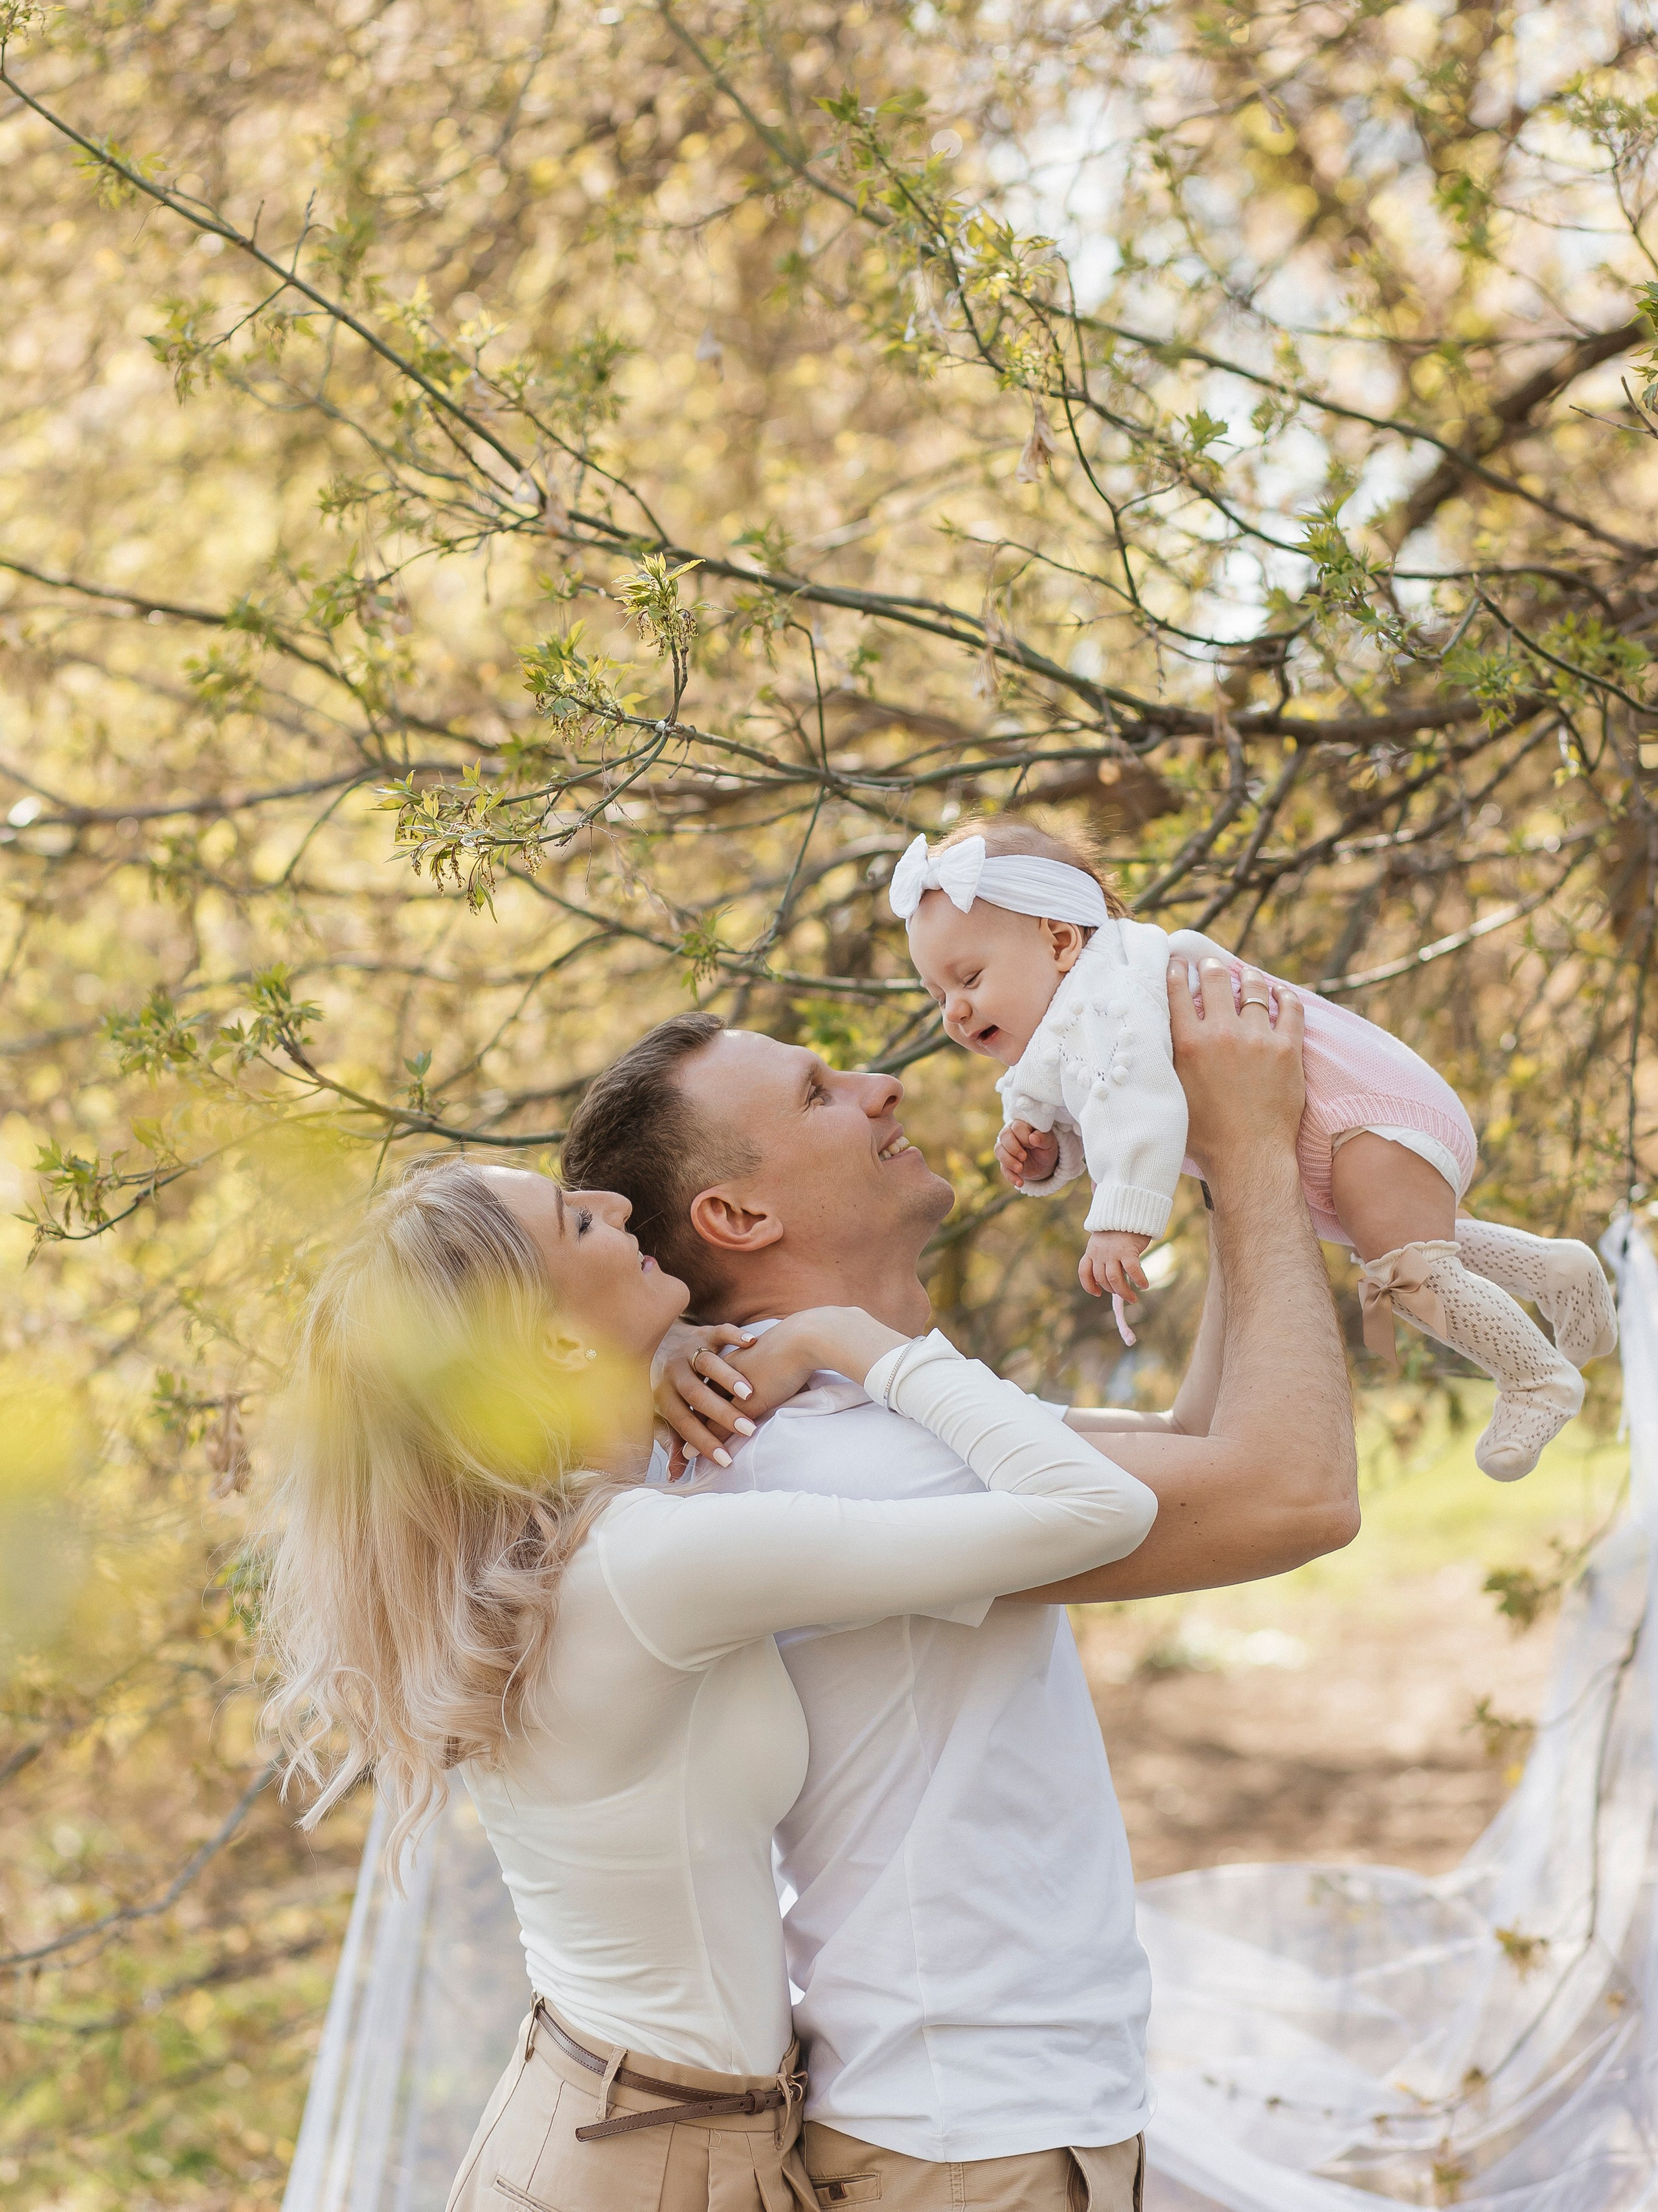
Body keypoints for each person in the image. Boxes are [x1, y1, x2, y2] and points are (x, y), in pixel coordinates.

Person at [560, 948, 1360, 2212]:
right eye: (821, 1093)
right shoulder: (839, 1457)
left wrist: (1209, 1162)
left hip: (991, 2120)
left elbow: (1210, 1452)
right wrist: (1260, 1155)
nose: (882, 1086)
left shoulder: (862, 1409)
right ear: (737, 1218)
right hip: (969, 2144)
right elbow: (1290, 1493)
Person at [258, 1158, 1158, 2212]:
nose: (618, 1207)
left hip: (614, 2119)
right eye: (578, 1221)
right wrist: (847, 1341)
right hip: (647, 2159)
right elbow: (1099, 1512)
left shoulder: (532, 1550)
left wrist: (651, 1348)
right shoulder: (651, 1567)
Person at [894, 815, 1616, 1482]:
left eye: (970, 979)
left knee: (1406, 1271)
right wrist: (1049, 1154)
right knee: (1411, 1245)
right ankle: (1554, 1270)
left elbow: (1137, 1107)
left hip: (1356, 1113)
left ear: (1059, 942)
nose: (954, 1011)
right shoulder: (1074, 1021)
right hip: (1335, 1138)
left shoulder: (1110, 991)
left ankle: (1530, 1375)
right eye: (935, 994)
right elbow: (1097, 1109)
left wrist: (1118, 1221)